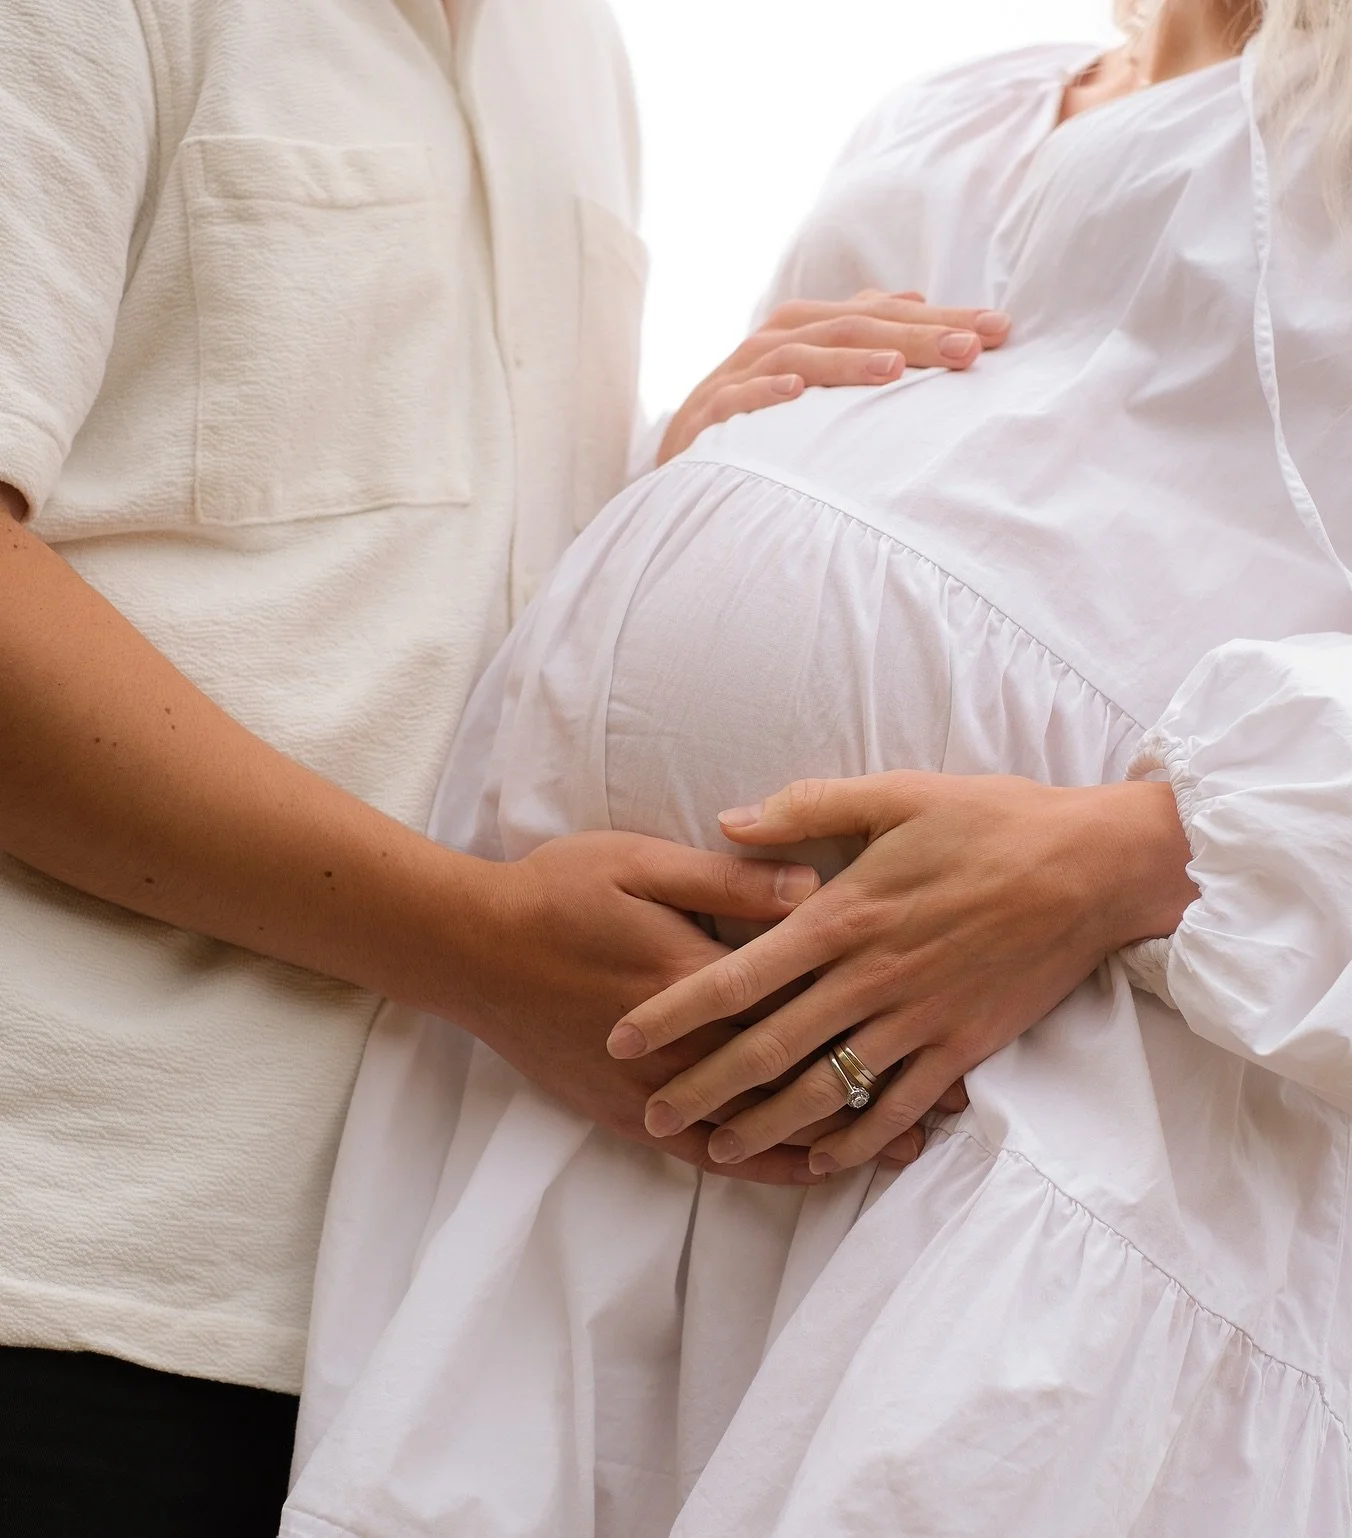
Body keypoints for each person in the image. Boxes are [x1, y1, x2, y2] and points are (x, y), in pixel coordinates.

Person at [281, 0, 1352, 1535]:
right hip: (589, 1144)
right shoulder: (940, 119)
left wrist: (1132, 854)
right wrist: (682, 463)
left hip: (1025, 1178)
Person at [0, 0, 1008, 1531]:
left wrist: (687, 492)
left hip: (410, 1345)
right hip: (62, 1280)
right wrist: (476, 948)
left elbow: (413, 615)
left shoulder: (572, 57)